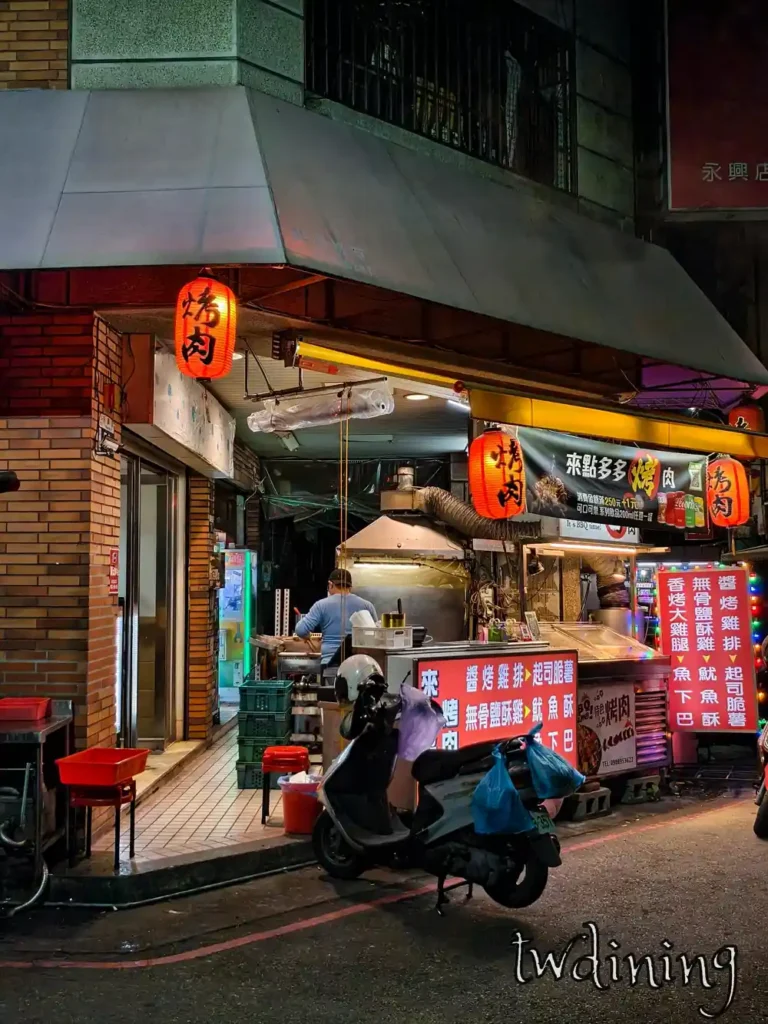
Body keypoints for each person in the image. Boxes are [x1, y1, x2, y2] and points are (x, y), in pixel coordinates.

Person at [294, 569, 377, 665]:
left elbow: (300, 630)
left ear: (330, 584)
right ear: (350, 587)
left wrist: (308, 636)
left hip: (329, 663)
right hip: (359, 664)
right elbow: (377, 635)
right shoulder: (367, 605)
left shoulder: (321, 605)